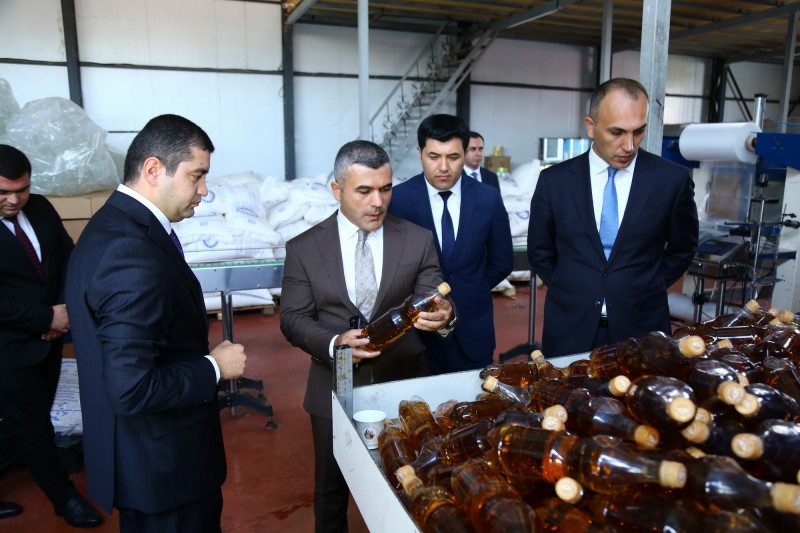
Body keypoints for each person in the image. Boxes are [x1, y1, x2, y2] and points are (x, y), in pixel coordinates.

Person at [65, 115, 247, 532]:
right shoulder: (129, 251)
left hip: (148, 463)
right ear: (153, 169)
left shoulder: (115, 226)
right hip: (165, 471)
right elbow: (131, 387)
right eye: (196, 176)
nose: (204, 190)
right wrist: (215, 367)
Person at [280, 140, 454, 533]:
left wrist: (445, 313)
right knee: (331, 489)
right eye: (364, 191)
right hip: (334, 387)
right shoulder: (305, 248)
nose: (378, 202)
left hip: (403, 386)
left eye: (385, 189)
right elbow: (292, 318)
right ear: (337, 189)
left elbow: (434, 291)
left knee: (413, 480)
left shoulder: (417, 239)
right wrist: (335, 344)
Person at [527, 78, 699, 358]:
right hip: (570, 328)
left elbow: (683, 248)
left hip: (642, 328)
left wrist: (646, 285)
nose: (629, 145)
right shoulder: (554, 182)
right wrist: (572, 285)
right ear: (591, 126)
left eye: (638, 131)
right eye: (617, 132)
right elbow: (540, 251)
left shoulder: (671, 181)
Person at [0, 144, 103, 528]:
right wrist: (46, 317)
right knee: (33, 426)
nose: (14, 200)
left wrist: (64, 311)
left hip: (50, 340)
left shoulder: (41, 207)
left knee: (24, 420)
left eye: (22, 190)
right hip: (9, 347)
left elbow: (68, 257)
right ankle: (65, 500)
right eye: (3, 192)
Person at [389, 114, 513, 374]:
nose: (443, 167)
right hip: (415, 336)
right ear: (420, 152)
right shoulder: (398, 200)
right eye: (434, 157)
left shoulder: (488, 198)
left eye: (453, 157)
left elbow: (502, 261)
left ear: (465, 153)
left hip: (472, 331)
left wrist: (471, 288)